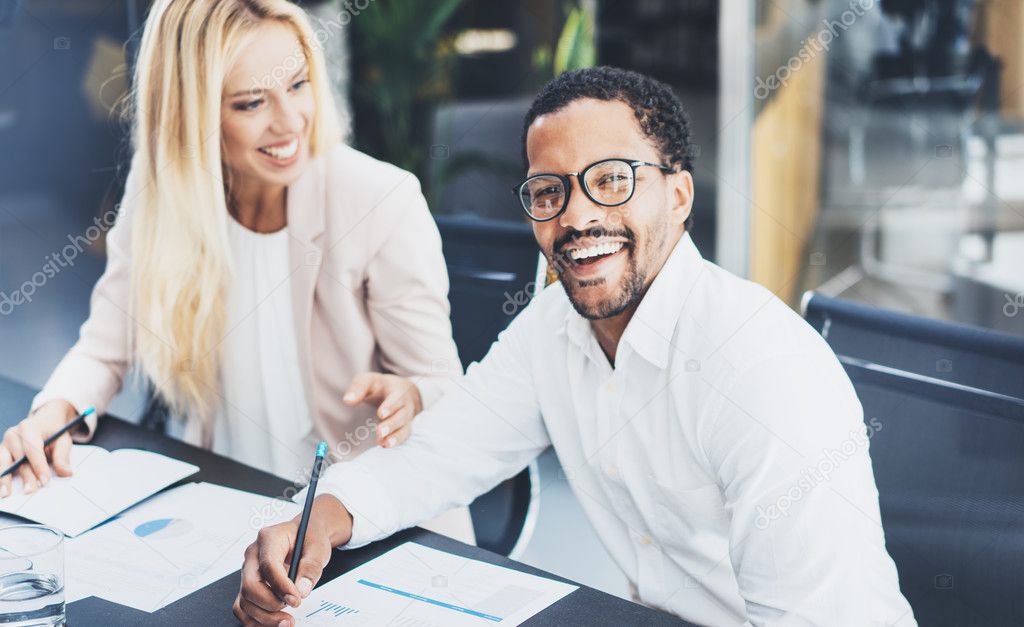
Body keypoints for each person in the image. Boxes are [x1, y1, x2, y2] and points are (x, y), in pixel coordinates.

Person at [235, 67, 916, 626]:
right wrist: (314, 523)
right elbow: (440, 455)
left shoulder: (763, 371)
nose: (578, 216)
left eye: (613, 180)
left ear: (678, 196)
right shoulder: (552, 327)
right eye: (549, 190)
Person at [0, 0, 472, 542]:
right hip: (229, 515)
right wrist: (53, 414)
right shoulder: (162, 198)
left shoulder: (379, 198)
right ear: (191, 114)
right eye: (252, 103)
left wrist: (410, 395)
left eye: (298, 85)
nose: (290, 121)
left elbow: (441, 384)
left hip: (361, 524)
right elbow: (106, 350)